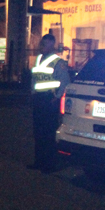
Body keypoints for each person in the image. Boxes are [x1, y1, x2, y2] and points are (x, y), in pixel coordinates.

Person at [29, 32, 70, 172]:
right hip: (39, 99)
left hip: (50, 100)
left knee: (49, 133)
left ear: (51, 45)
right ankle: (39, 162)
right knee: (38, 132)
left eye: (44, 44)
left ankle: (49, 165)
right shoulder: (38, 59)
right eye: (42, 43)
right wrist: (33, 93)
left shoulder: (58, 62)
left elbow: (65, 81)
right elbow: (35, 78)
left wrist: (57, 97)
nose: (41, 46)